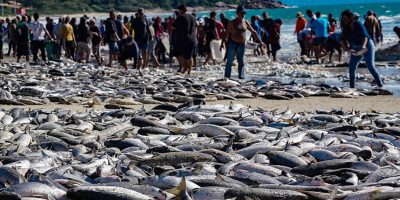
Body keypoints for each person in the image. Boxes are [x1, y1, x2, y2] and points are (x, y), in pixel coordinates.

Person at [340, 10, 383, 89]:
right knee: (352, 67)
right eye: (343, 18)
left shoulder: (357, 24)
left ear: (350, 17)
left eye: (345, 18)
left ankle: (380, 85)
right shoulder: (345, 28)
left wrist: (363, 47)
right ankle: (352, 87)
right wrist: (346, 48)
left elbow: (365, 37)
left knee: (370, 67)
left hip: (367, 45)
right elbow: (342, 40)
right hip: (355, 48)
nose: (344, 20)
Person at [223, 5, 260, 79]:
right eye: (241, 13)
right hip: (233, 43)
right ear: (237, 13)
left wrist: (260, 41)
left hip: (242, 45)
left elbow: (254, 32)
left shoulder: (245, 22)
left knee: (241, 62)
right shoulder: (231, 22)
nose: (243, 14)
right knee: (229, 62)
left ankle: (241, 77)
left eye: (244, 13)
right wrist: (223, 44)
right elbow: (226, 34)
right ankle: (227, 77)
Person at [172, 4, 197, 75]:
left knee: (177, 54)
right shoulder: (193, 17)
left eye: (179, 10)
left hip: (183, 39)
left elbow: (173, 27)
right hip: (193, 38)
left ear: (181, 10)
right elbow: (195, 27)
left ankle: (185, 67)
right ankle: (189, 71)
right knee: (189, 56)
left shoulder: (180, 17)